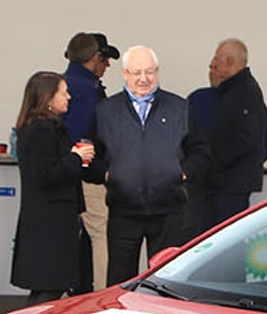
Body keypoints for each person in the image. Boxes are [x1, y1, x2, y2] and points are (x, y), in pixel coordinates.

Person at [86, 45, 209, 285]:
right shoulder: (106, 112)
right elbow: (90, 156)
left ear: (158, 71)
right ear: (124, 74)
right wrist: (108, 175)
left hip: (169, 211)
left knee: (164, 282)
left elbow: (201, 152)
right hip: (124, 210)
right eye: (136, 72)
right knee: (120, 283)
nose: (144, 79)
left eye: (149, 72)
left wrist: (182, 174)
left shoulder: (180, 108)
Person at [10, 71, 95, 304]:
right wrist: (75, 158)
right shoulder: (40, 130)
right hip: (48, 224)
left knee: (47, 289)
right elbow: (45, 175)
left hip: (51, 221)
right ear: (48, 98)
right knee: (50, 287)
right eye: (63, 92)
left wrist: (78, 160)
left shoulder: (50, 127)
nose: (68, 97)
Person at [199, 37, 267, 231]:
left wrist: (214, 164)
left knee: (225, 234)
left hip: (230, 185)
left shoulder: (244, 93)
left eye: (217, 59)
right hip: (224, 183)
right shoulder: (232, 91)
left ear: (229, 62)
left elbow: (248, 140)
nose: (213, 63)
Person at [62, 32, 118, 289]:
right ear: (95, 57)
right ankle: (103, 293)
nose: (106, 66)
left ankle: (71, 290)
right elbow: (86, 136)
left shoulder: (61, 84)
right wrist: (97, 171)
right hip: (86, 174)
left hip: (64, 173)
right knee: (101, 233)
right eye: (105, 60)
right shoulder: (88, 89)